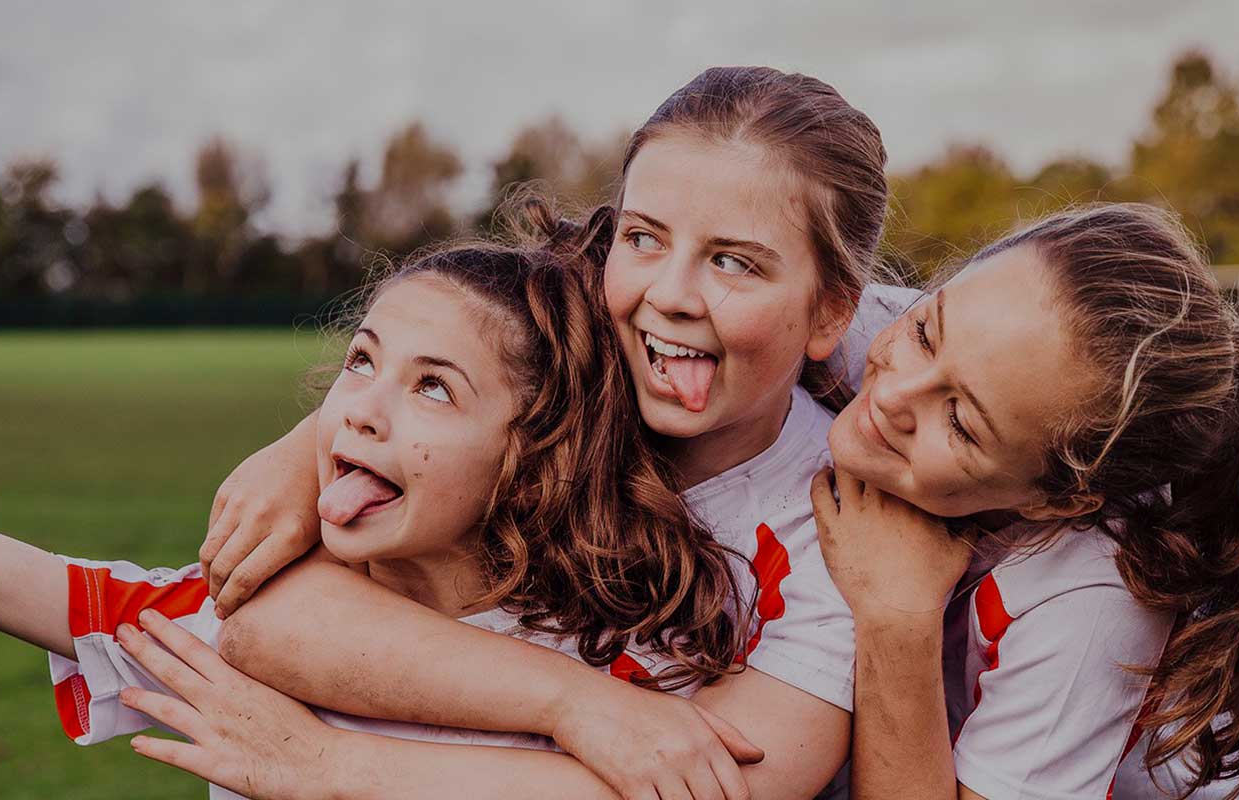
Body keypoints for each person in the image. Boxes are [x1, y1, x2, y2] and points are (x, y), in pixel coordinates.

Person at [0, 171, 759, 799]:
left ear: (535, 447)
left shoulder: (635, 653)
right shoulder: (214, 625)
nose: (365, 409)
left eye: (437, 388)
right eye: (361, 363)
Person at [190, 65, 892, 799]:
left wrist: (335, 769)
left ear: (830, 314)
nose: (671, 295)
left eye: (732, 262)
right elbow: (264, 614)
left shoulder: (842, 518)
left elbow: (730, 788)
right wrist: (306, 448)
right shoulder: (569, 341)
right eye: (644, 238)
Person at [815, 203, 1239, 799]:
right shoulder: (900, 328)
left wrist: (898, 617)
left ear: (1063, 500)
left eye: (961, 423)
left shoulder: (1096, 600)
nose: (894, 392)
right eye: (924, 333)